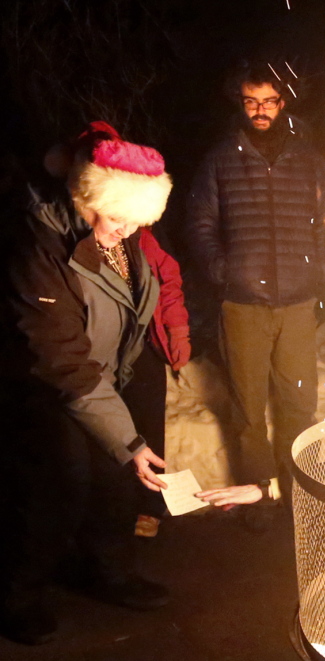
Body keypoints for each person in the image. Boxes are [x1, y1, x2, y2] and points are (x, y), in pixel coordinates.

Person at [0, 122, 173, 645]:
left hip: (101, 377)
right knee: (59, 484)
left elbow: (129, 307)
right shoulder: (41, 244)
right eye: (118, 216)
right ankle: (16, 594)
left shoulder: (121, 233)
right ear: (86, 195)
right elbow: (61, 354)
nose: (126, 229)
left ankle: (109, 572)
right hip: (49, 381)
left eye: (136, 219)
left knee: (116, 478)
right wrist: (125, 434)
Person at [189, 62, 325, 519]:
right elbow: (199, 223)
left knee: (298, 404)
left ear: (282, 103)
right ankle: (258, 496)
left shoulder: (309, 159)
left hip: (297, 302)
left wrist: (316, 276)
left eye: (268, 101)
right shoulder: (221, 159)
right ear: (241, 102)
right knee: (248, 408)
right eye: (251, 101)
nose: (260, 110)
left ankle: (297, 497)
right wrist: (224, 271)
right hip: (243, 303)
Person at [124, 227, 191, 537]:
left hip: (142, 346)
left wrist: (177, 329)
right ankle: (111, 506)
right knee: (111, 428)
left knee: (149, 425)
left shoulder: (143, 236)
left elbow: (168, 281)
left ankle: (149, 506)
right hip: (102, 350)